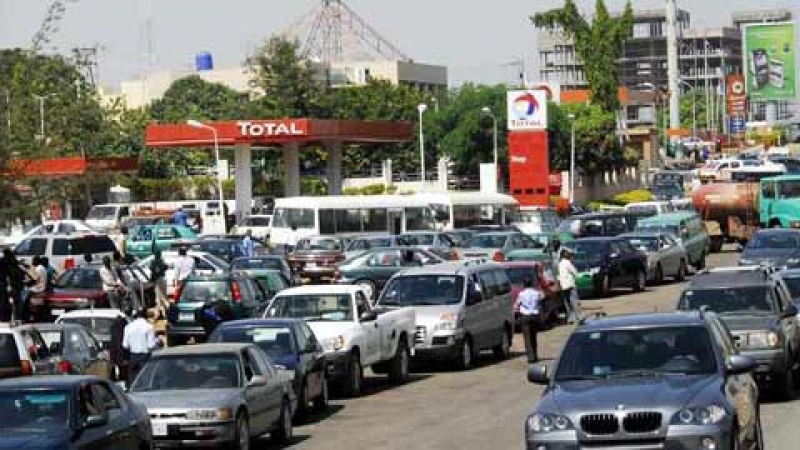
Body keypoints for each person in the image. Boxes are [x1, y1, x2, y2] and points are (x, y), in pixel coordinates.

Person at [122, 309, 161, 386]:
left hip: (133, 356)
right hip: (145, 356)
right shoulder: (149, 327)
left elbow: (125, 345)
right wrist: (158, 342)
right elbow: (151, 345)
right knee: (146, 379)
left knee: (133, 379)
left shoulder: (128, 327)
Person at [516, 277, 544, 363]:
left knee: (527, 338)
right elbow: (542, 297)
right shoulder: (536, 293)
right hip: (535, 316)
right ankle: (535, 355)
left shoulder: (521, 294)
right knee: (533, 336)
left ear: (524, 284)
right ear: (531, 284)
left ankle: (531, 357)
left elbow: (516, 305)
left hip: (525, 316)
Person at [558, 249, 582, 324]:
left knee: (567, 303)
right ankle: (579, 317)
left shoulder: (560, 264)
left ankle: (570, 318)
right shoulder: (568, 263)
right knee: (574, 301)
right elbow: (575, 272)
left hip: (563, 285)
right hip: (570, 285)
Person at [20, 256, 47, 323]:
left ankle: (23, 314)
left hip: (38, 287)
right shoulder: (42, 268)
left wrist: (26, 273)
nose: (32, 262)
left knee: (24, 297)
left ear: (36, 261)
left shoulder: (38, 268)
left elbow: (34, 279)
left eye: (33, 261)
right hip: (40, 286)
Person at [3, 250, 26, 323]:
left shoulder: (5, 263)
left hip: (11, 286)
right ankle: (17, 317)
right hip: (17, 286)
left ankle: (11, 318)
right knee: (17, 302)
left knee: (10, 303)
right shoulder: (15, 264)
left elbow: (7, 276)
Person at [149, 250, 169, 316]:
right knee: (163, 296)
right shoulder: (162, 261)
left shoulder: (153, 262)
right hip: (162, 279)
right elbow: (166, 267)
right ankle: (163, 312)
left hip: (158, 280)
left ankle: (162, 312)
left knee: (159, 297)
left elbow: (152, 269)